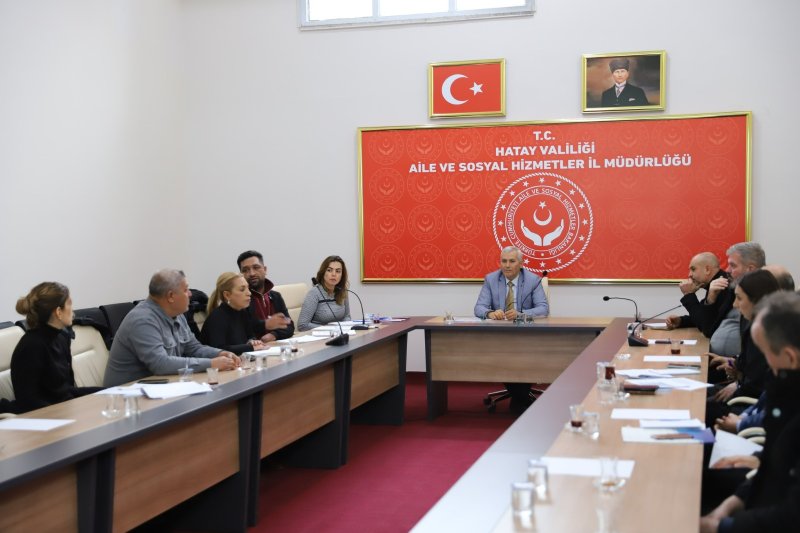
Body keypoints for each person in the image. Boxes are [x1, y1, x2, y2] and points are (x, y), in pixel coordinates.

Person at [700, 291, 800, 533]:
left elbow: (791, 515)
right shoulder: (786, 388)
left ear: (789, 358)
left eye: (765, 354)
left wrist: (719, 526)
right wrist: (732, 504)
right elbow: (774, 462)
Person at [103, 269, 239, 386]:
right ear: (171, 296)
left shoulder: (177, 314)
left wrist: (219, 353)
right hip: (125, 395)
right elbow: (160, 364)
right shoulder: (142, 320)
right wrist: (211, 364)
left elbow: (194, 348)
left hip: (159, 388)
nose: (190, 294)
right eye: (185, 290)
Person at [474, 246, 549, 412]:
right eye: (504, 261)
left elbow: (543, 309)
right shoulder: (491, 279)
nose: (507, 265)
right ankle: (521, 398)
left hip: (526, 335)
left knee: (519, 352)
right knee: (505, 352)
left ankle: (519, 398)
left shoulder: (532, 280)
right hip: (500, 335)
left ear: (521, 264)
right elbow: (479, 308)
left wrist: (521, 314)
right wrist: (490, 313)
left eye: (512, 261)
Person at [10, 282, 102, 412]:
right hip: (45, 417)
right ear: (59, 312)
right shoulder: (31, 346)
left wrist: (109, 392)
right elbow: (29, 401)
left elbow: (66, 391)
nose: (73, 310)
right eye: (69, 304)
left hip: (65, 410)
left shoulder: (62, 338)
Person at [705, 270, 779, 425]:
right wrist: (733, 363)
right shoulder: (753, 324)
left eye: (739, 298)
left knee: (699, 406)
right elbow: (750, 365)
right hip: (747, 398)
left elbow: (757, 384)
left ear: (757, 301)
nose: (734, 305)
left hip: (749, 406)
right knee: (697, 396)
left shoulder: (765, 334)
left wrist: (738, 382)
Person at [707, 243, 767, 358]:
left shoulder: (763, 299)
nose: (727, 270)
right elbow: (708, 327)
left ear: (750, 269)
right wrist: (711, 298)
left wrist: (735, 362)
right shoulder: (732, 289)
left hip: (735, 365)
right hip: (721, 361)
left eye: (733, 266)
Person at [667, 252, 733, 337]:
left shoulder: (723, 285)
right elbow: (706, 316)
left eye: (693, 269)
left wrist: (688, 294)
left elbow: (707, 327)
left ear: (707, 270)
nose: (689, 275)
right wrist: (682, 321)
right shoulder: (715, 282)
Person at [200, 272, 267, 355]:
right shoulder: (217, 317)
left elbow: (250, 336)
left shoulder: (243, 311)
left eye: (248, 288)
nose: (249, 293)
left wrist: (253, 341)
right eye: (242, 289)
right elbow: (219, 349)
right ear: (227, 295)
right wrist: (250, 347)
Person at [237, 250, 293, 341]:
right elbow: (243, 330)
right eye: (245, 270)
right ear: (241, 274)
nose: (252, 273)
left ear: (265, 269)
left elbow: (289, 326)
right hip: (253, 347)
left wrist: (274, 335)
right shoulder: (239, 299)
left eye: (256, 267)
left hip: (276, 344)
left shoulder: (276, 296)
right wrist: (266, 325)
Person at [298, 255, 351, 331]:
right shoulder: (314, 293)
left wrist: (344, 328)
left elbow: (347, 317)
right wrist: (330, 329)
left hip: (338, 334)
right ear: (323, 272)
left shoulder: (343, 291)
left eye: (338, 271)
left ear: (342, 275)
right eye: (329, 270)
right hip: (318, 336)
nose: (334, 274)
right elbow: (302, 325)